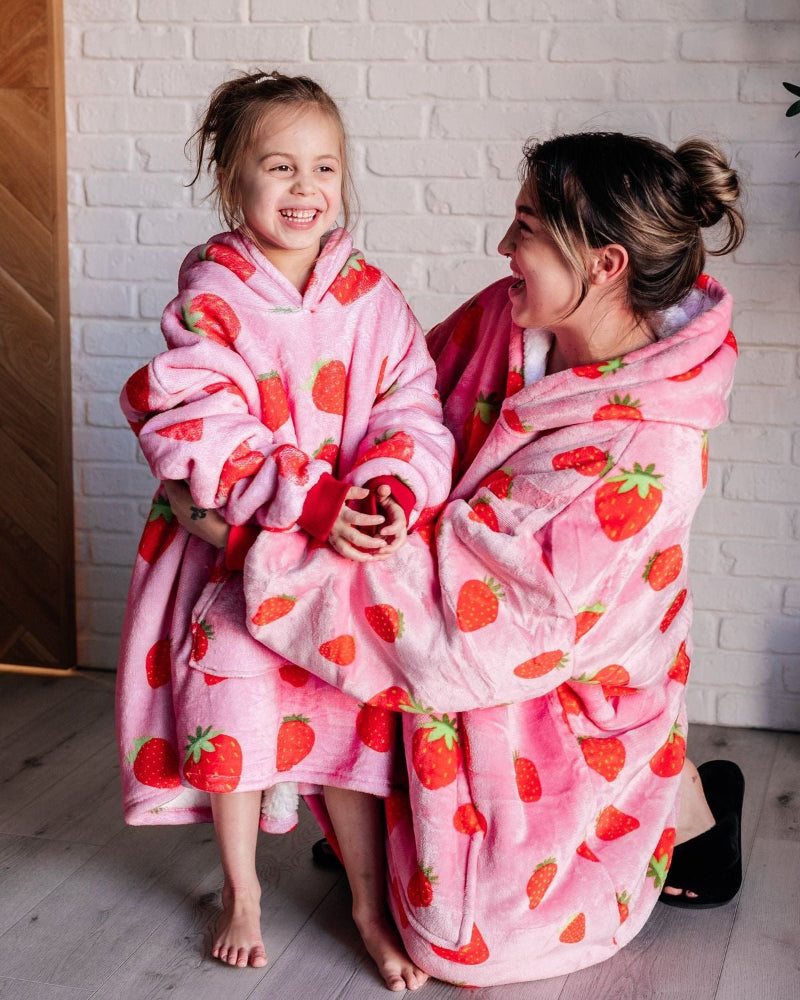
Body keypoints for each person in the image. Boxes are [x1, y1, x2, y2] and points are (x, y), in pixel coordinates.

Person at [177, 130, 745, 986]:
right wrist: (243, 450)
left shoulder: (647, 449)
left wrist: (253, 538)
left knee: (464, 944)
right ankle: (384, 821)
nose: (503, 245)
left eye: (527, 228)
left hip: (552, 685)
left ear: (604, 264)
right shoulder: (505, 321)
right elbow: (381, 407)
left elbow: (469, 630)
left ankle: (687, 803)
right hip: (452, 633)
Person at [116, 69, 454, 989]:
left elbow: (412, 409)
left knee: (348, 721)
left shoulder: (373, 299)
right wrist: (306, 499)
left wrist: (389, 489)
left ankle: (368, 905)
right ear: (233, 182)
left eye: (324, 167)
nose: (305, 188)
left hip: (338, 564)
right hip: (235, 556)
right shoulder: (212, 297)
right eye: (279, 167)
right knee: (233, 709)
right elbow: (196, 423)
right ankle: (242, 891)